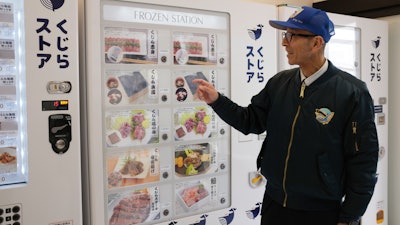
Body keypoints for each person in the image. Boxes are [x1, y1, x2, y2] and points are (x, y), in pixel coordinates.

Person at [193, 6, 378, 225]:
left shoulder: (352, 92)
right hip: (275, 204)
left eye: (291, 36)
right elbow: (250, 121)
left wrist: (350, 216)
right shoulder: (280, 83)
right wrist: (217, 100)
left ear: (317, 42)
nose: (284, 42)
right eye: (285, 35)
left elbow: (364, 162)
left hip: (322, 212)